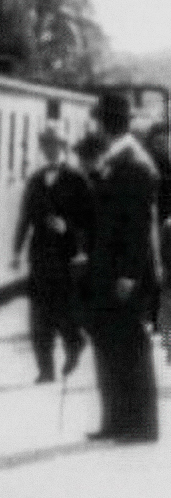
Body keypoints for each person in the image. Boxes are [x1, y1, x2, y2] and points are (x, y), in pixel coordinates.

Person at [84, 92, 161, 442]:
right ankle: (115, 419)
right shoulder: (117, 159)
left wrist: (130, 273)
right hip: (107, 268)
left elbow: (138, 225)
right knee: (109, 342)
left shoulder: (135, 163)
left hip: (125, 273)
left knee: (130, 344)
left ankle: (141, 424)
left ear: (105, 123)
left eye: (99, 120)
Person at [13, 126, 92, 383]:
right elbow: (25, 216)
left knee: (65, 312)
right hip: (39, 254)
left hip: (67, 256)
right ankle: (45, 369)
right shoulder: (35, 179)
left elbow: (90, 219)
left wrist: (67, 226)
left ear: (63, 146)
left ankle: (74, 345)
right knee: (38, 315)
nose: (48, 149)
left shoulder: (77, 179)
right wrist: (16, 250)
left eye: (53, 144)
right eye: (44, 144)